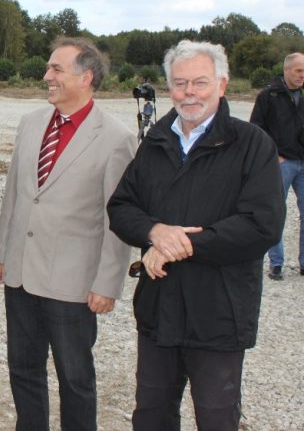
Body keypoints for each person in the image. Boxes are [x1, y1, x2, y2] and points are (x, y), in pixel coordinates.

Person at [107, 40, 284, 431]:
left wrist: (175, 246)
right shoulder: (155, 142)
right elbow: (121, 207)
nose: (189, 93)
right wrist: (154, 231)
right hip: (159, 309)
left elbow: (262, 224)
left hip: (219, 312)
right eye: (180, 83)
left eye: (200, 83)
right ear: (169, 87)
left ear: (222, 85)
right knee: (151, 414)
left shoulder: (252, 144)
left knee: (217, 417)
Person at [0, 37, 136, 430]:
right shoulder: (30, 123)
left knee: (75, 378)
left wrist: (108, 283)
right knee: (23, 369)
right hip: (21, 275)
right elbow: (18, 197)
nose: (47, 76)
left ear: (86, 76)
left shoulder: (116, 138)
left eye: (56, 69)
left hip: (73, 284)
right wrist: (3, 252)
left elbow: (118, 218)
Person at [250, 52, 304, 280]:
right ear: (286, 70)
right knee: (275, 213)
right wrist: (273, 154)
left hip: (303, 163)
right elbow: (255, 129)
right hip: (280, 164)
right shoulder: (268, 96)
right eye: (299, 70)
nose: (303, 75)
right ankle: (276, 263)